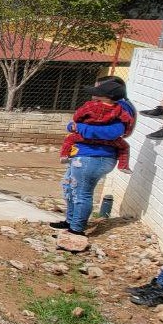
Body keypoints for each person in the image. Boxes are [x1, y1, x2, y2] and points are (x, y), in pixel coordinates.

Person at [50, 78, 127, 237]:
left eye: (98, 91)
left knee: (82, 193)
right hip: (83, 154)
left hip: (94, 157)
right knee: (70, 188)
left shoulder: (120, 109)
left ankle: (76, 230)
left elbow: (114, 132)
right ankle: (71, 221)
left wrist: (80, 128)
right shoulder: (100, 107)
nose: (94, 95)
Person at [60, 85, 133, 173]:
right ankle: (123, 166)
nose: (93, 96)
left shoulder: (90, 105)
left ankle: (64, 155)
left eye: (96, 93)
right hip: (108, 142)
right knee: (125, 147)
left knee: (69, 139)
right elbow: (128, 121)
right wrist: (127, 132)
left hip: (84, 138)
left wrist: (77, 124)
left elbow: (78, 115)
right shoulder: (119, 109)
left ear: (105, 97)